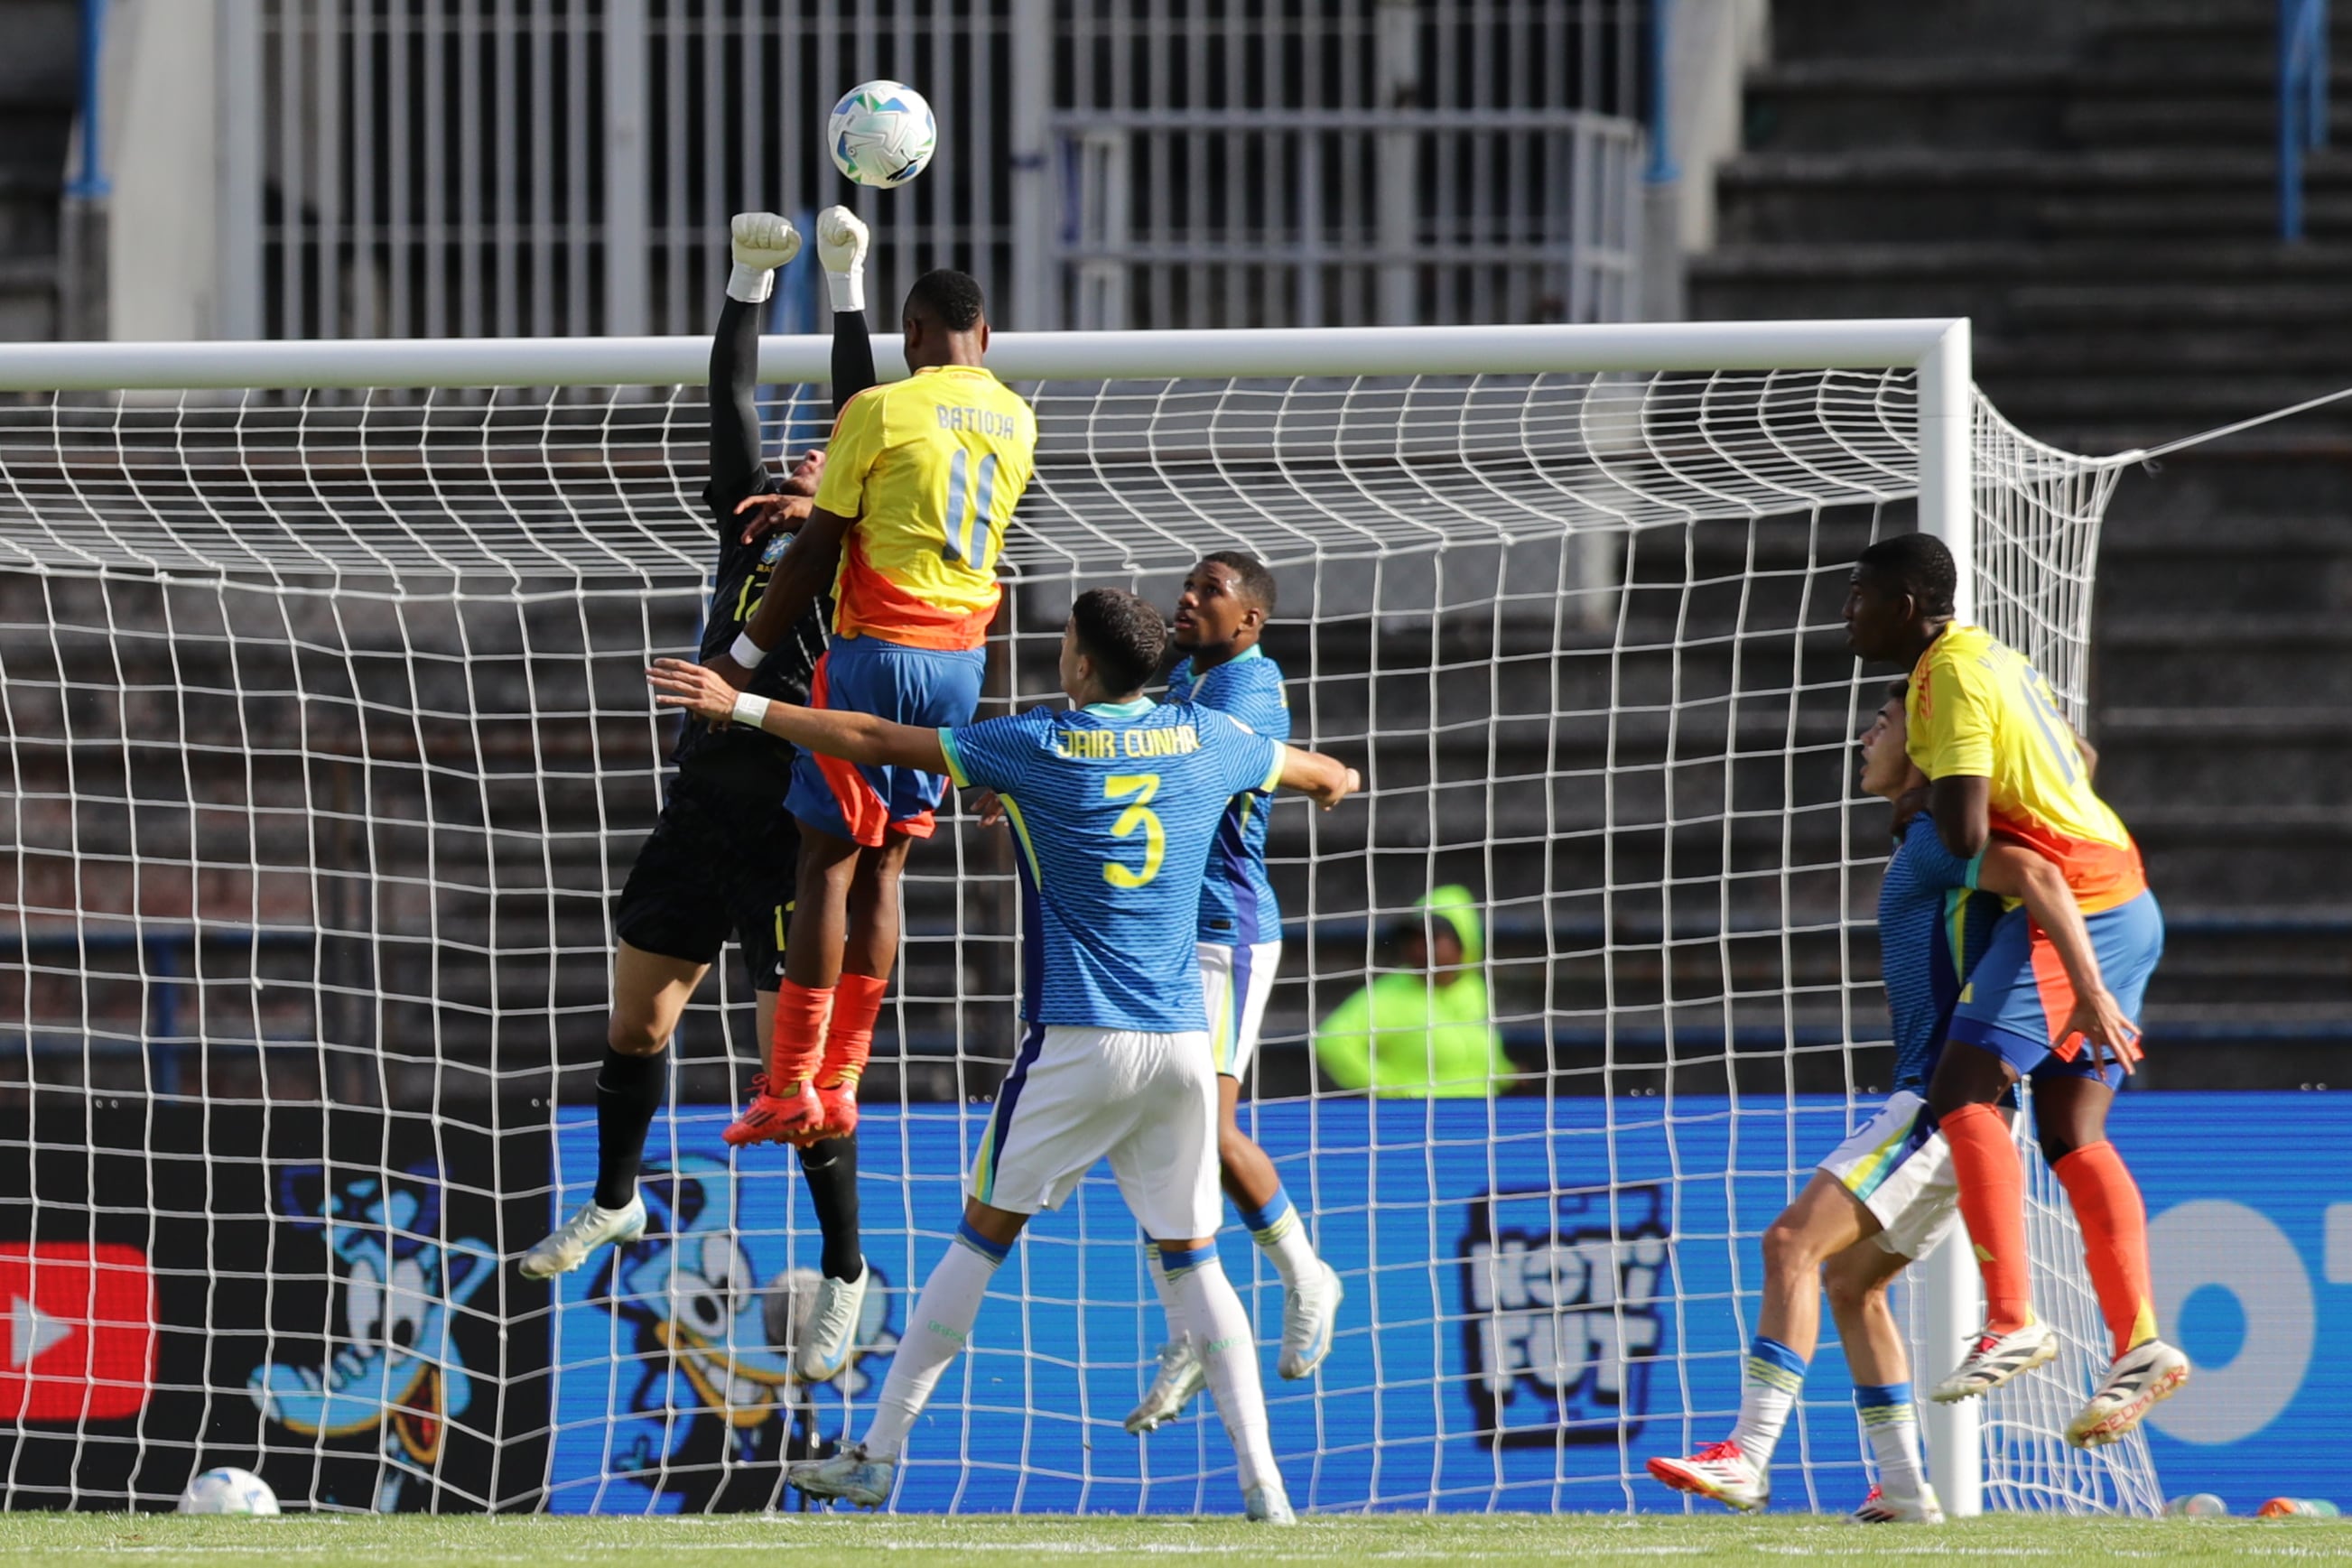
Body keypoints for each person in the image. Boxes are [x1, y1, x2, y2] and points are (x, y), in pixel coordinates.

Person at [646, 588, 1361, 1522]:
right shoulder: (1207, 738)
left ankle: (876, 1455)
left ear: (1077, 664)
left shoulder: (1038, 742)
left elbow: (870, 740)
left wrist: (735, 702)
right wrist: (1328, 779)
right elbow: (1324, 775)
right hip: (1186, 1044)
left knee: (980, 1239)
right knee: (1193, 1262)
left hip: (1079, 1036)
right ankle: (1265, 1486)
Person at [519, 210, 881, 1384]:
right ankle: (616, 1199)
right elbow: (730, 398)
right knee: (638, 1024)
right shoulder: (748, 519)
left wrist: (844, 285)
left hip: (794, 828)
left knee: (803, 1085)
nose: (803, 458)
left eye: (828, 453)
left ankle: (844, 1271)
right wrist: (747, 277)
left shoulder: (862, 540)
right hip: (698, 813)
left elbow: (857, 407)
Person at [1645, 683, 2136, 1522]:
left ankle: (1749, 1454)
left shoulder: (1939, 838)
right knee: (1849, 1283)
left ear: (1928, 744)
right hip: (1957, 1109)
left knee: (1790, 1242)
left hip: (1940, 1105)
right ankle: (1906, 1488)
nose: (1863, 737)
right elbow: (2072, 778)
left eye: (1881, 723)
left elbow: (2045, 873)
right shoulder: (1927, 837)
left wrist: (2089, 990)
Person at [1844, 532, 2186, 1448]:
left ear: (1906, 608)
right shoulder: (1995, 654)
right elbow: (2077, 755)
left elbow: (1961, 837)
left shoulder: (1946, 676)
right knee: (2069, 1130)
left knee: (1964, 1091)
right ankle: (2140, 1344)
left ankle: (2011, 1317)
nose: (1849, 613)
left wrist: (1924, 805)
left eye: (1860, 597)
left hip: (2076, 901)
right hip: (2122, 888)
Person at [714, 265, 1037, 1164]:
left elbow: (818, 547)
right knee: (887, 871)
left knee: (824, 866)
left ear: (913, 331)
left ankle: (787, 1088)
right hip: (961, 666)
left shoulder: (883, 410)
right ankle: (844, 1085)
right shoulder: (1017, 416)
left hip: (876, 654)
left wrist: (739, 661)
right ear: (988, 337)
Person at [1121, 552, 1343, 1437]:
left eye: (1209, 591)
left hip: (1224, 934)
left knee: (1202, 1131)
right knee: (1150, 1136)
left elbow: (1171, 766)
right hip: (1167, 937)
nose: (1186, 598)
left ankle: (1304, 1275)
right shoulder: (1184, 676)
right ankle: (1192, 1324)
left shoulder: (1249, 690)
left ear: (1249, 620)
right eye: (1187, 585)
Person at [1311, 886, 1511, 1097]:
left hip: (1482, 1113)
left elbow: (1480, 1051)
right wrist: (1392, 1089)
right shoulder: (1388, 994)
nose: (1419, 948)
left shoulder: (1473, 988)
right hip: (1422, 1118)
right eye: (1413, 939)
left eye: (1433, 939)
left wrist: (1506, 1074)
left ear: (1464, 941)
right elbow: (1331, 1042)